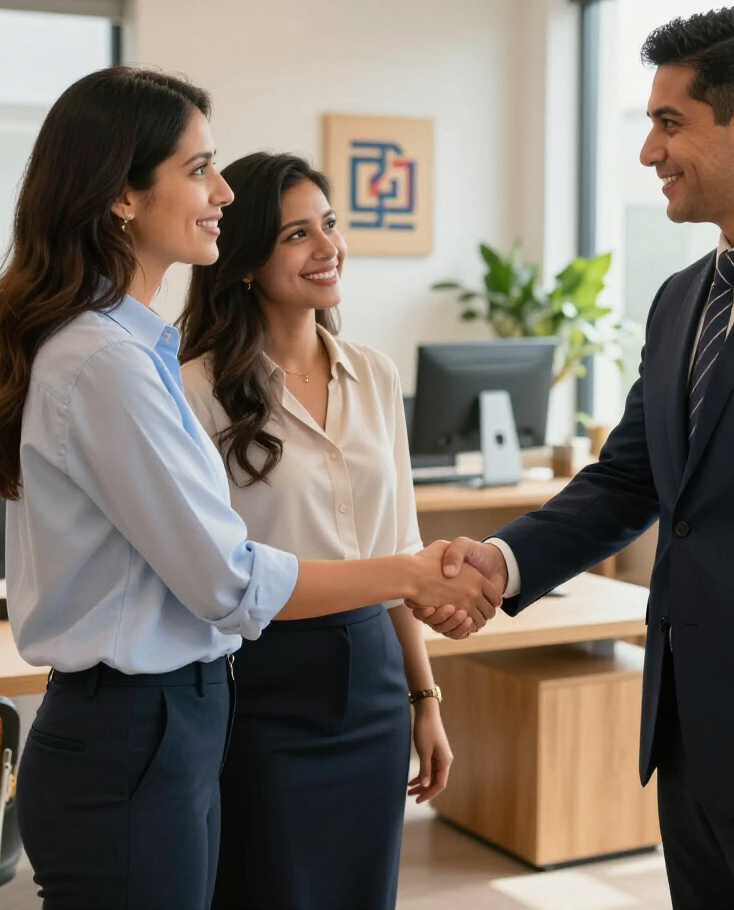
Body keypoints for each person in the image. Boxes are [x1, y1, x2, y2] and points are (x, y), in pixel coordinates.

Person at [413, 7, 734, 909]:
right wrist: (501, 564)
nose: (648, 152)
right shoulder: (682, 296)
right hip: (692, 741)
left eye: (669, 123)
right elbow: (634, 478)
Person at [0, 67, 499, 910]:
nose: (220, 189)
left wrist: (419, 675)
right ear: (122, 197)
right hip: (148, 719)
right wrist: (410, 573)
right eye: (199, 167)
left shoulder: (129, 352)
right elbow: (227, 579)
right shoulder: (112, 363)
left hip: (178, 715)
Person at [178, 151, 451, 910]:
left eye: (328, 225)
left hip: (372, 678)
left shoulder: (376, 373)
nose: (327, 247)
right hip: (259, 684)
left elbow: (397, 548)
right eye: (297, 234)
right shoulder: (194, 387)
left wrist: (425, 699)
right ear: (243, 259)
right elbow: (216, 573)